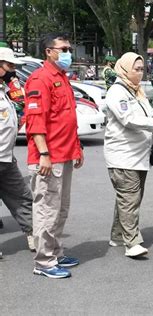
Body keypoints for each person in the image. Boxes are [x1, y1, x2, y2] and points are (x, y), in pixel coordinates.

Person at [24, 32, 84, 279]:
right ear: (49, 51)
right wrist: (44, 154)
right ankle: (44, 261)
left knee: (60, 208)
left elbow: (67, 119)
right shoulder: (40, 79)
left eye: (69, 48)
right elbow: (35, 122)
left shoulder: (61, 78)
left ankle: (56, 252)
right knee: (47, 209)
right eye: (64, 48)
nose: (68, 53)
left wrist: (77, 148)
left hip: (65, 153)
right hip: (49, 157)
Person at [104, 52, 153, 258]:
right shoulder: (117, 92)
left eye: (142, 69)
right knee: (129, 198)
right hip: (123, 155)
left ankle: (118, 235)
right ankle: (132, 243)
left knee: (128, 198)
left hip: (137, 155)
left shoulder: (135, 91)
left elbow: (146, 112)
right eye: (136, 69)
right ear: (125, 69)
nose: (140, 73)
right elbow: (129, 119)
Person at [0, 47, 35, 252]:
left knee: (22, 198)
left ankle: (35, 235)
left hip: (6, 157)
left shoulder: (4, 91)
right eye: (10, 66)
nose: (14, 71)